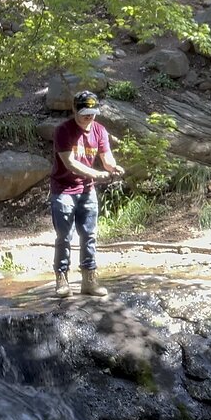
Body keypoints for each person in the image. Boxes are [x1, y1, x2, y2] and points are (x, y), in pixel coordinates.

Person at [50, 90, 124, 297]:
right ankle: (61, 278)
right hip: (63, 189)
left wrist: (113, 168)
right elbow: (70, 163)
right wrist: (97, 174)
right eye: (84, 112)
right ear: (74, 109)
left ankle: (89, 280)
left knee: (89, 235)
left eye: (92, 112)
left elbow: (107, 159)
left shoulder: (99, 130)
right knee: (64, 236)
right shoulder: (63, 131)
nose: (88, 116)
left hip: (87, 190)